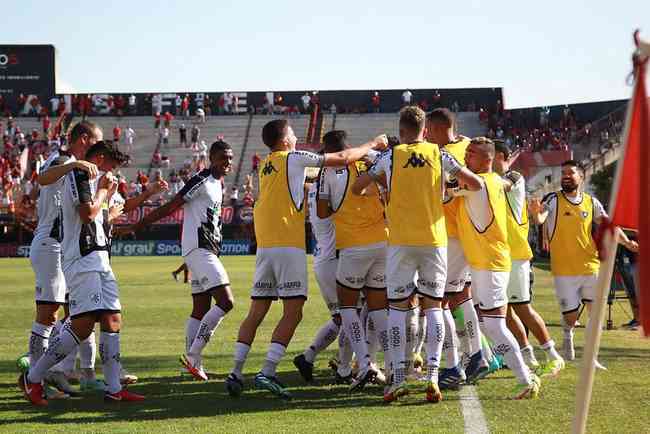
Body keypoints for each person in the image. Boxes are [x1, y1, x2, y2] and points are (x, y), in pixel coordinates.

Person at [224, 119, 387, 400]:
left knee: (257, 311)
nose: (297, 136)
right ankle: (268, 371)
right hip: (289, 246)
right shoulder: (294, 158)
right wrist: (374, 144)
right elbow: (342, 158)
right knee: (294, 311)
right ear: (285, 139)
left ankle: (236, 371)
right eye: (293, 133)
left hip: (265, 248)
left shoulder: (265, 164)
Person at [354, 106, 481, 403]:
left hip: (400, 241)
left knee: (397, 307)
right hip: (434, 240)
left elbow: (358, 189)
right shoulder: (440, 154)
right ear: (425, 130)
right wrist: (447, 189)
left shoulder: (389, 157)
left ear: (401, 131)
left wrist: (386, 189)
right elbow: (474, 183)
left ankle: (398, 377)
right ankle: (433, 376)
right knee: (434, 306)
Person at [20, 140, 145, 406]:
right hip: (81, 259)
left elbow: (97, 218)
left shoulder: (92, 177)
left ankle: (113, 389)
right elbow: (87, 213)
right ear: (99, 159)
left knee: (112, 320)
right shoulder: (78, 174)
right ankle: (34, 377)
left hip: (99, 259)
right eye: (111, 166)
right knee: (82, 324)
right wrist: (102, 192)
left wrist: (107, 201)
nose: (113, 173)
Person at [118, 140, 235, 381]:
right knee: (226, 302)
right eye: (223, 158)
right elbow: (171, 207)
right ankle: (193, 356)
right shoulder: (201, 180)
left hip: (203, 252)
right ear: (211, 158)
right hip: (199, 250)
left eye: (231, 158)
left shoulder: (217, 183)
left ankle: (194, 365)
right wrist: (136, 226)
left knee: (201, 308)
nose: (228, 163)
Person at [19, 121, 101, 400]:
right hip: (49, 245)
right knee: (48, 314)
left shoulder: (72, 165)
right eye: (96, 142)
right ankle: (34, 377)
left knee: (72, 312)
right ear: (84, 138)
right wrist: (73, 165)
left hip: (60, 247)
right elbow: (42, 179)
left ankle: (48, 371)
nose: (97, 149)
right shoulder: (64, 159)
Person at [456, 137, 540, 399]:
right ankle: (501, 363)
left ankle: (526, 378)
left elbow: (448, 188)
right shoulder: (485, 181)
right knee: (488, 322)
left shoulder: (481, 184)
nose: (466, 158)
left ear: (487, 160)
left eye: (471, 154)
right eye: (466, 153)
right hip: (485, 262)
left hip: (491, 264)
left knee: (494, 325)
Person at [529, 160, 638, 365]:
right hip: (564, 270)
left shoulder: (591, 202)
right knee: (570, 317)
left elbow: (609, 226)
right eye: (563, 173)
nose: (566, 176)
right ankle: (568, 334)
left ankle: (591, 357)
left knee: (595, 313)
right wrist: (536, 213)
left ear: (581, 176)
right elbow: (540, 219)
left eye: (570, 173)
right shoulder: (553, 199)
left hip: (590, 265)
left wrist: (628, 243)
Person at [313, 129, 390, 391]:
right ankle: (392, 366)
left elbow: (323, 212)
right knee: (379, 308)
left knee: (348, 308)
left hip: (353, 246)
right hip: (384, 242)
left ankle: (366, 363)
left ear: (328, 149)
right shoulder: (375, 158)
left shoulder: (328, 170)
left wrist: (339, 202)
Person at [492, 142, 565, 376]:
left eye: (487, 155)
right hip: (499, 255)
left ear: (500, 156)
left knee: (522, 308)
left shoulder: (513, 177)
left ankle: (553, 355)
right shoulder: (491, 181)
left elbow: (498, 186)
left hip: (516, 256)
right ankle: (526, 354)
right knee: (506, 311)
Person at [424, 108, 486, 388]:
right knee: (461, 295)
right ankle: (475, 356)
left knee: (438, 301)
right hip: (462, 234)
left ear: (436, 128)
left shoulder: (453, 150)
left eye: (429, 130)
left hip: (450, 235)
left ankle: (460, 361)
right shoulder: (469, 144)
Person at [293, 164, 352, 384]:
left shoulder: (315, 188)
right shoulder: (328, 189)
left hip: (323, 258)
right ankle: (345, 368)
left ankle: (307, 358)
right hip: (332, 260)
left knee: (340, 318)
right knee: (351, 316)